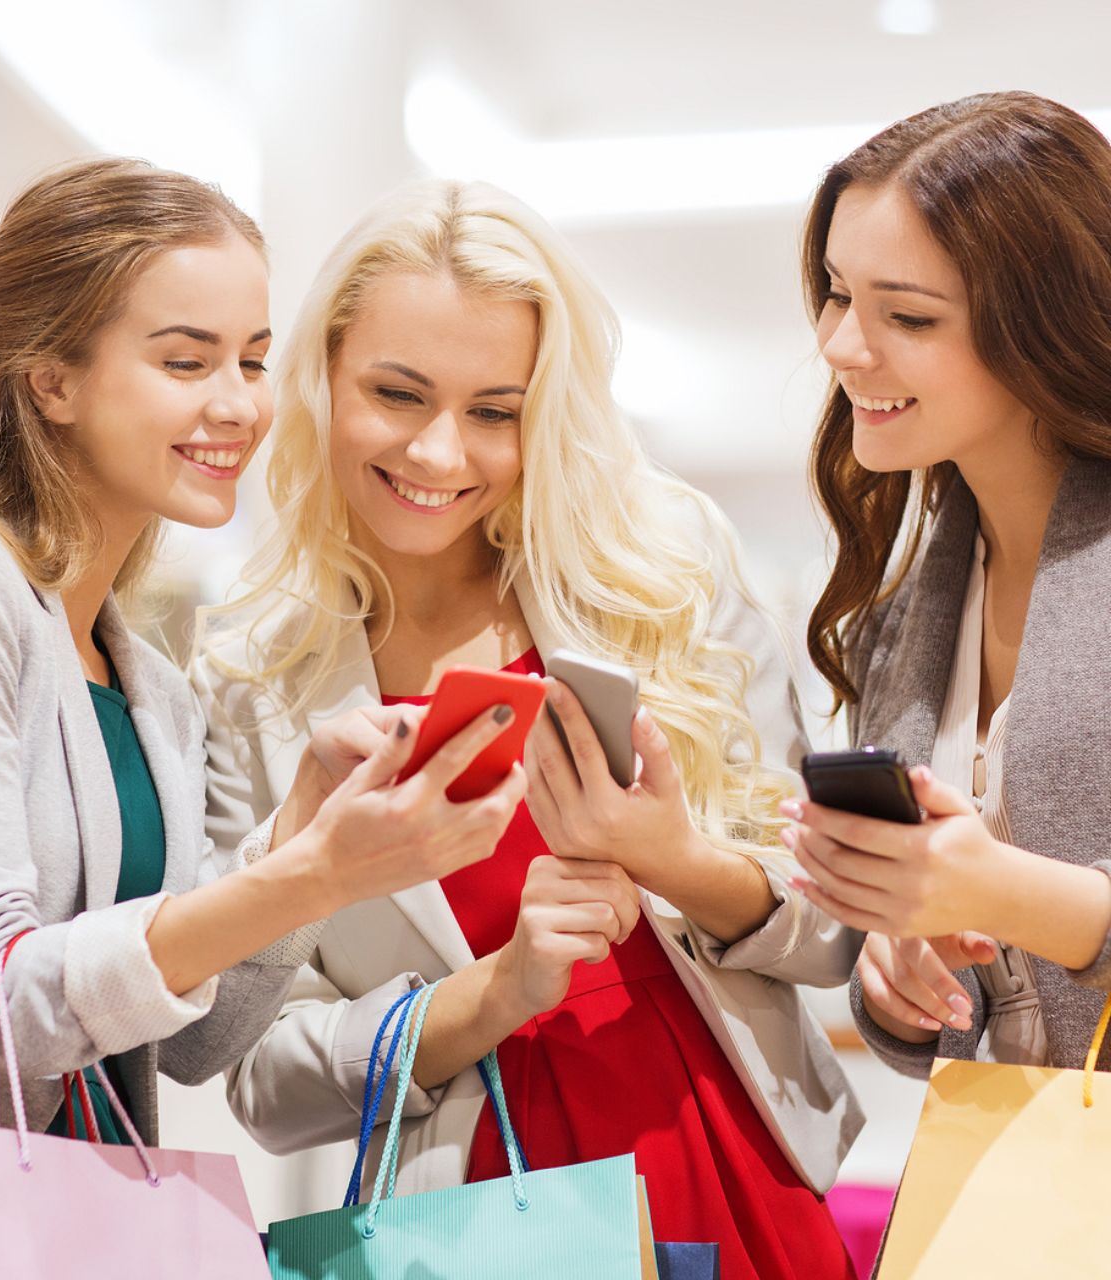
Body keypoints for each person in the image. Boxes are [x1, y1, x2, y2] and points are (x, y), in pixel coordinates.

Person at [195, 178, 861, 1280]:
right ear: (321, 378)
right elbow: (258, 1076)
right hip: (465, 1211)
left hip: (712, 1153)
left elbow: (834, 923)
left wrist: (671, 858)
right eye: (396, 394)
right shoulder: (249, 678)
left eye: (493, 410)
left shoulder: (660, 569)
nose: (439, 453)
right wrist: (491, 993)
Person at [0, 158, 524, 1192]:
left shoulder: (150, 682)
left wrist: (296, 833)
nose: (237, 404)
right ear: (50, 376)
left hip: (61, 1223)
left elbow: (196, 1043)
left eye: (250, 360)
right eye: (185, 362)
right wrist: (314, 874)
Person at [785, 91, 1111, 1081]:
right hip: (1025, 1202)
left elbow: (1020, 897)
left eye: (906, 314)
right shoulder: (902, 619)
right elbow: (959, 985)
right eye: (837, 293)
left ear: (1041, 327)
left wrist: (1012, 894)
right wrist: (896, 968)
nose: (841, 344)